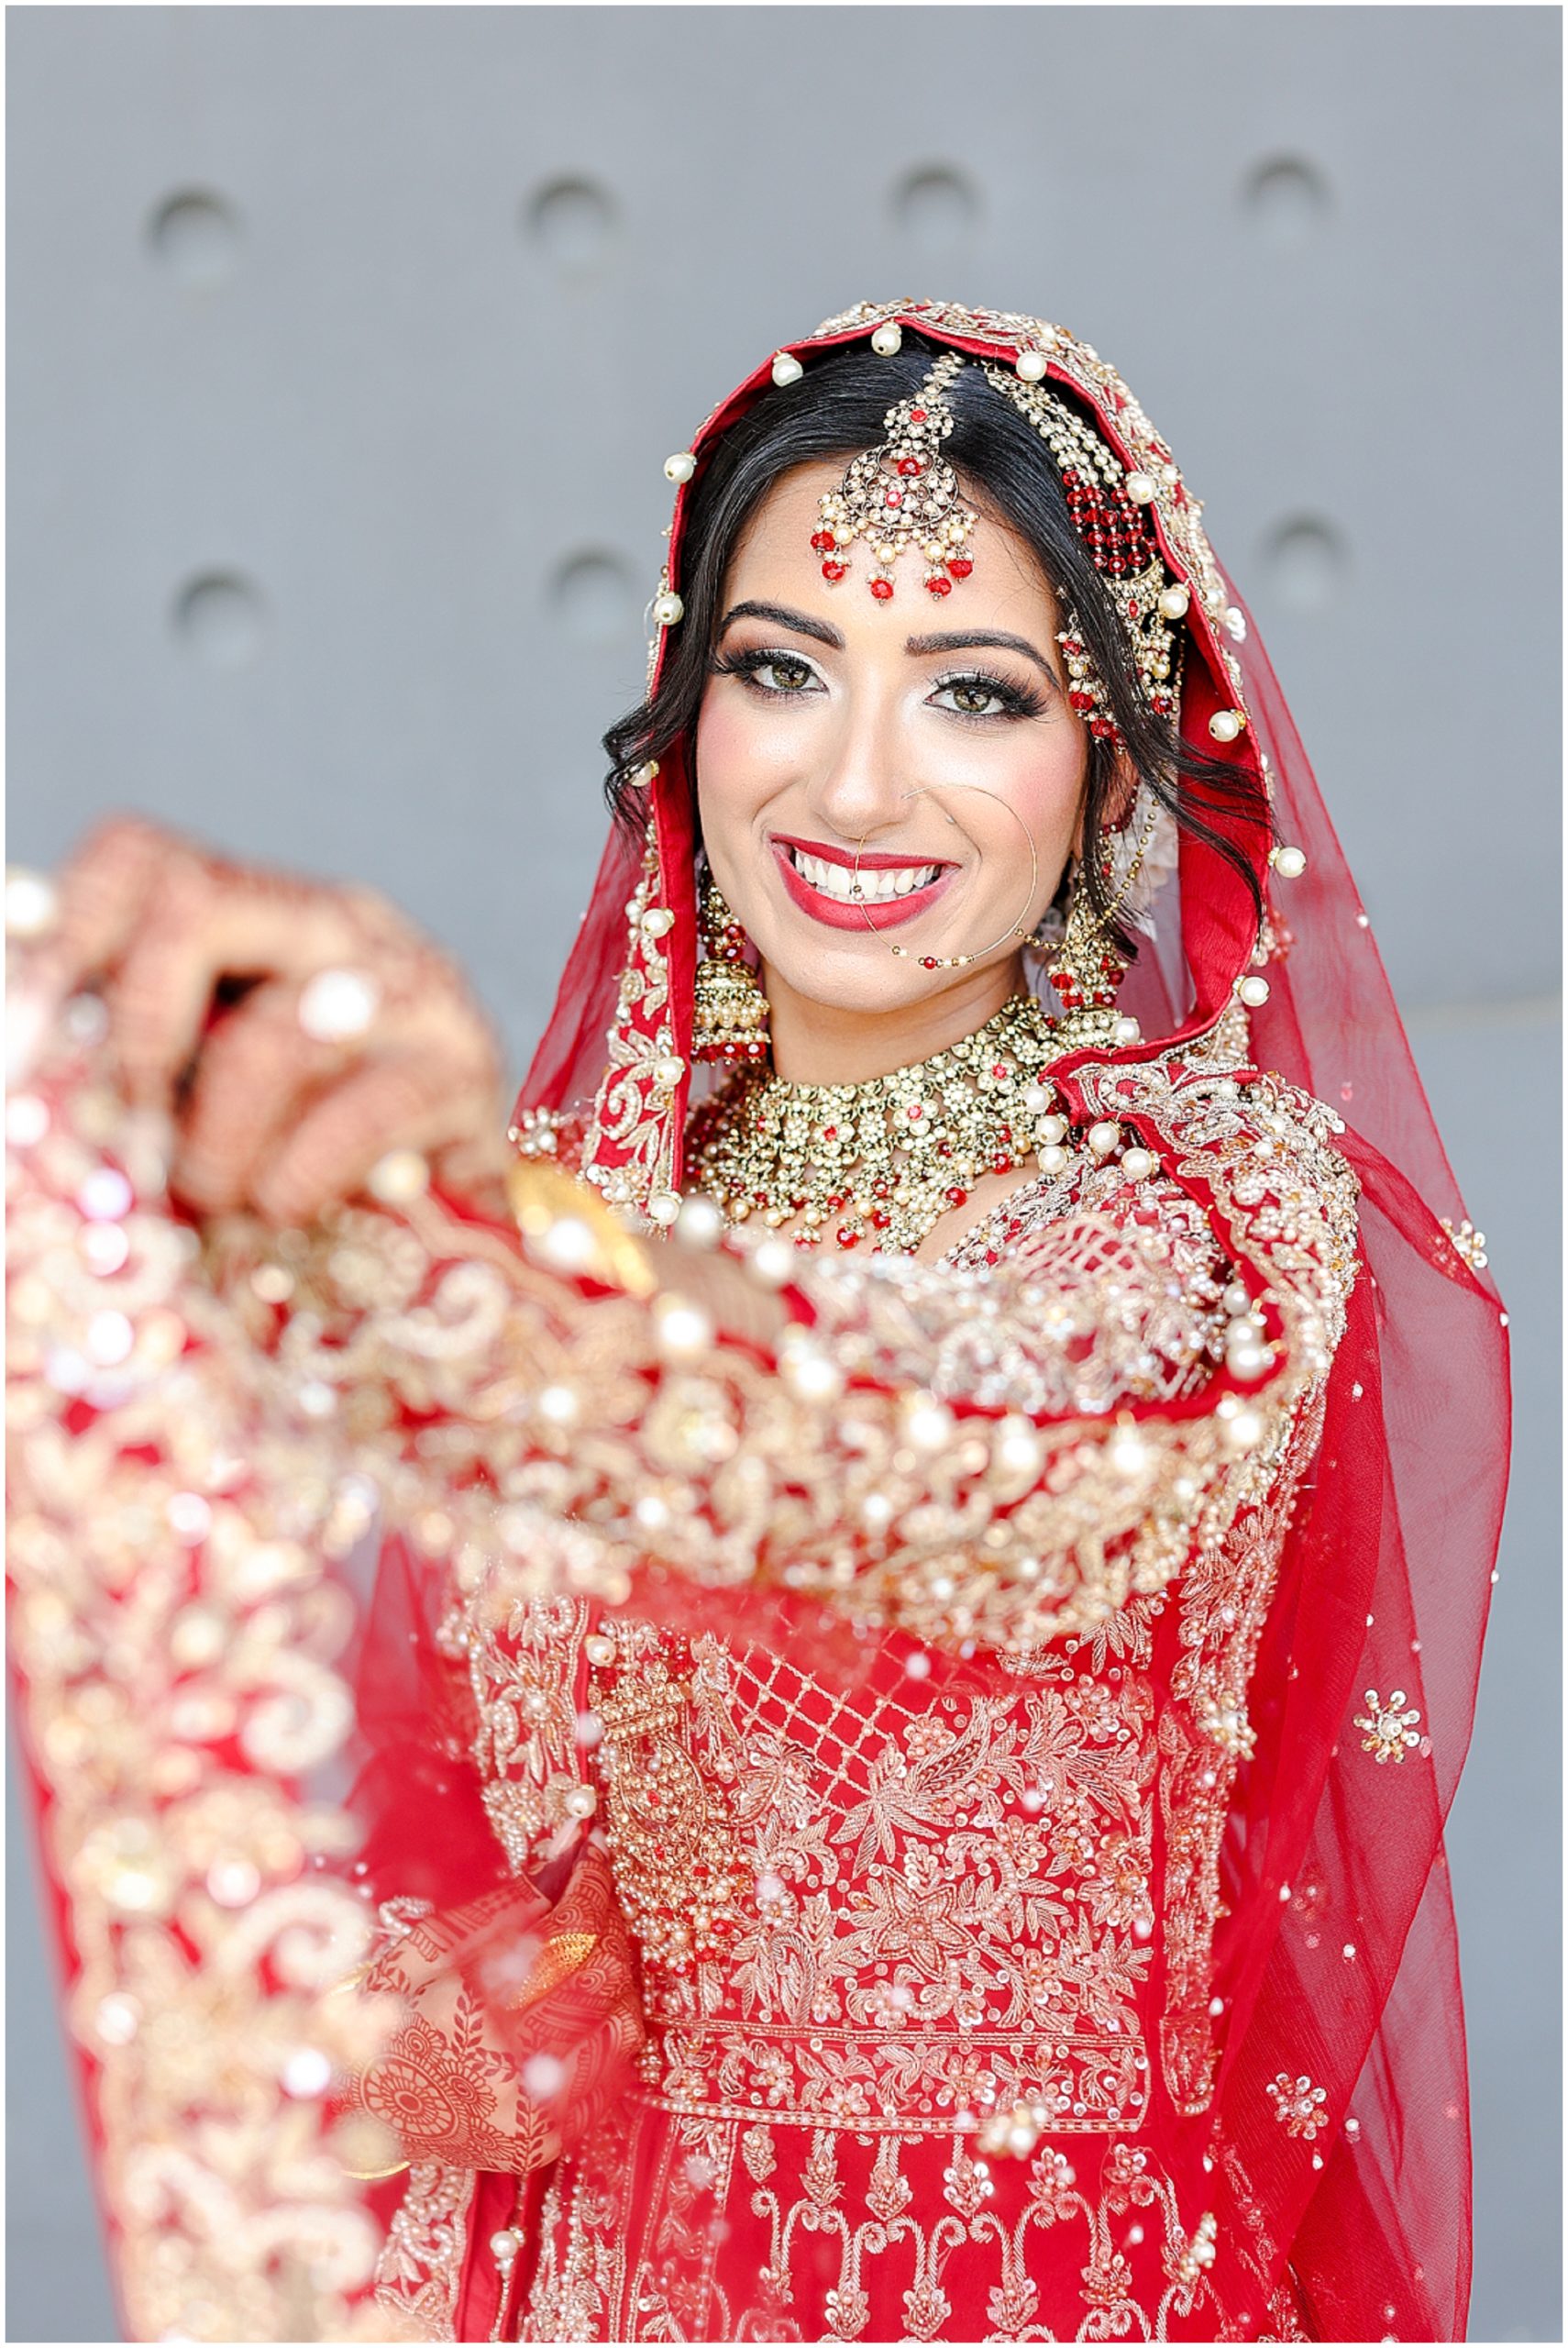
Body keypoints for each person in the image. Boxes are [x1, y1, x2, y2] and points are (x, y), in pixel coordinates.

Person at [6, 300, 1507, 2344]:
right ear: (688, 706)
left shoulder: (1209, 1214)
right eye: (782, 667)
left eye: (974, 693)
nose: (859, 782)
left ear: (1110, 754)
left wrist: (463, 1236)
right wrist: (413, 2035)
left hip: (1034, 2290)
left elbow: (938, 1469)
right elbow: (416, 1853)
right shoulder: (578, 1212)